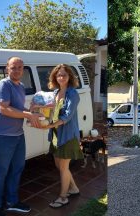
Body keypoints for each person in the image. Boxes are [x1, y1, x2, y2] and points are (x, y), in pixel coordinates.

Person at [0, 57, 42, 216]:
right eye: (13, 67)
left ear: (23, 69)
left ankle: (12, 202)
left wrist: (33, 113)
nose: (17, 70)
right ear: (7, 68)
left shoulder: (20, 86)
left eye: (20, 67)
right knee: (1, 171)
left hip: (18, 134)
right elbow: (3, 109)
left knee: (18, 168)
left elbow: (18, 108)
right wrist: (27, 115)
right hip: (3, 136)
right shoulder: (3, 85)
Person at [38, 64, 83, 208]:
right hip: (56, 134)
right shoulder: (56, 92)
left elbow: (68, 116)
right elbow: (51, 112)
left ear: (69, 76)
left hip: (68, 135)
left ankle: (63, 197)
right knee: (59, 165)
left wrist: (49, 125)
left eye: (64, 75)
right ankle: (74, 188)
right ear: (55, 77)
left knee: (64, 167)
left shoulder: (73, 93)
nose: (61, 77)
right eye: (58, 75)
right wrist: (38, 114)